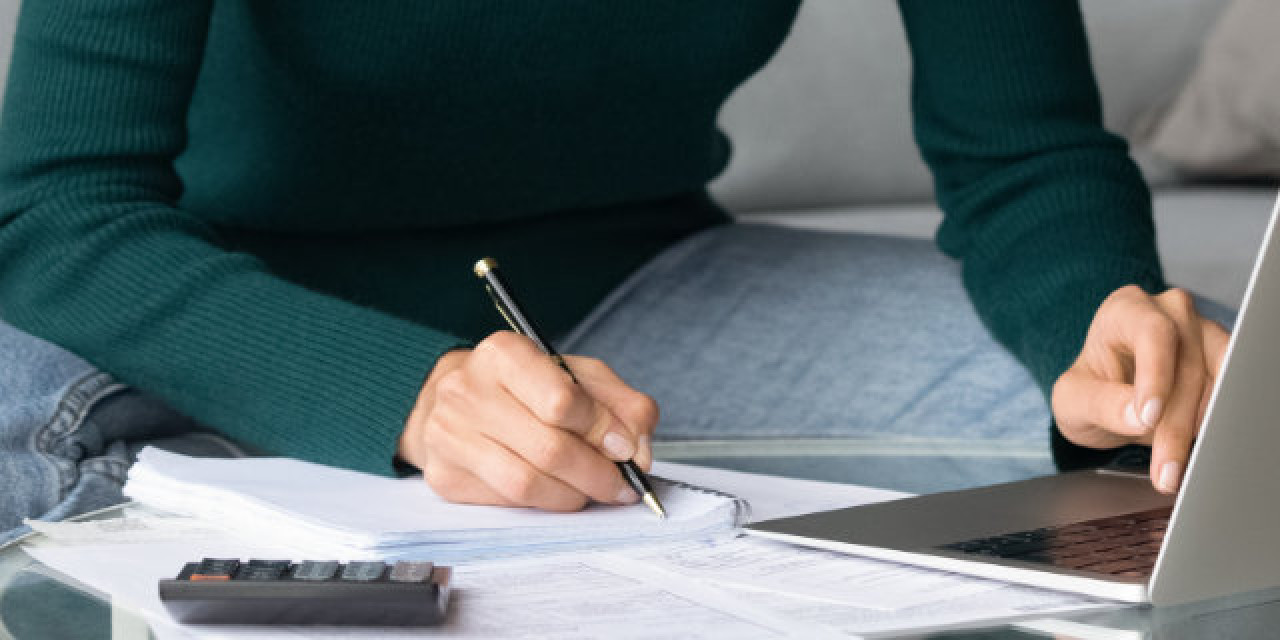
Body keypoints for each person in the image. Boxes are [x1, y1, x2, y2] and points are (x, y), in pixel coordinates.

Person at [0, 1, 1230, 543]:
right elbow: (58, 209)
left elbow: (1023, 149)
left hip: (636, 290)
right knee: (35, 435)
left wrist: (1098, 327)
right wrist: (407, 398)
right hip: (206, 310)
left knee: (1219, 428)